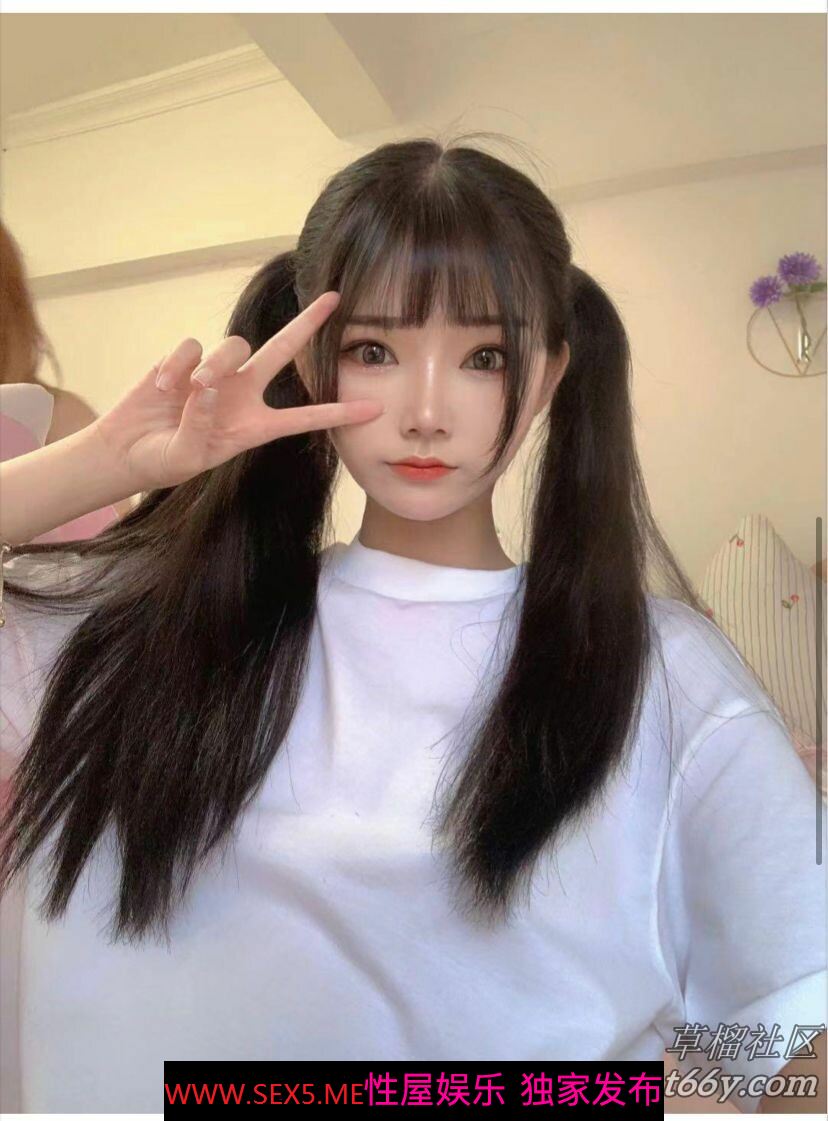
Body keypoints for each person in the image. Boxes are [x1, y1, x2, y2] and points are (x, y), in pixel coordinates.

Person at [0, 135, 824, 1115]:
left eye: (484, 357)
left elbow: (792, 1037)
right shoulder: (129, 624)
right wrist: (110, 460)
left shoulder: (662, 673)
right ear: (314, 362)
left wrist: (626, 1083)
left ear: (550, 376)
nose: (427, 412)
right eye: (376, 351)